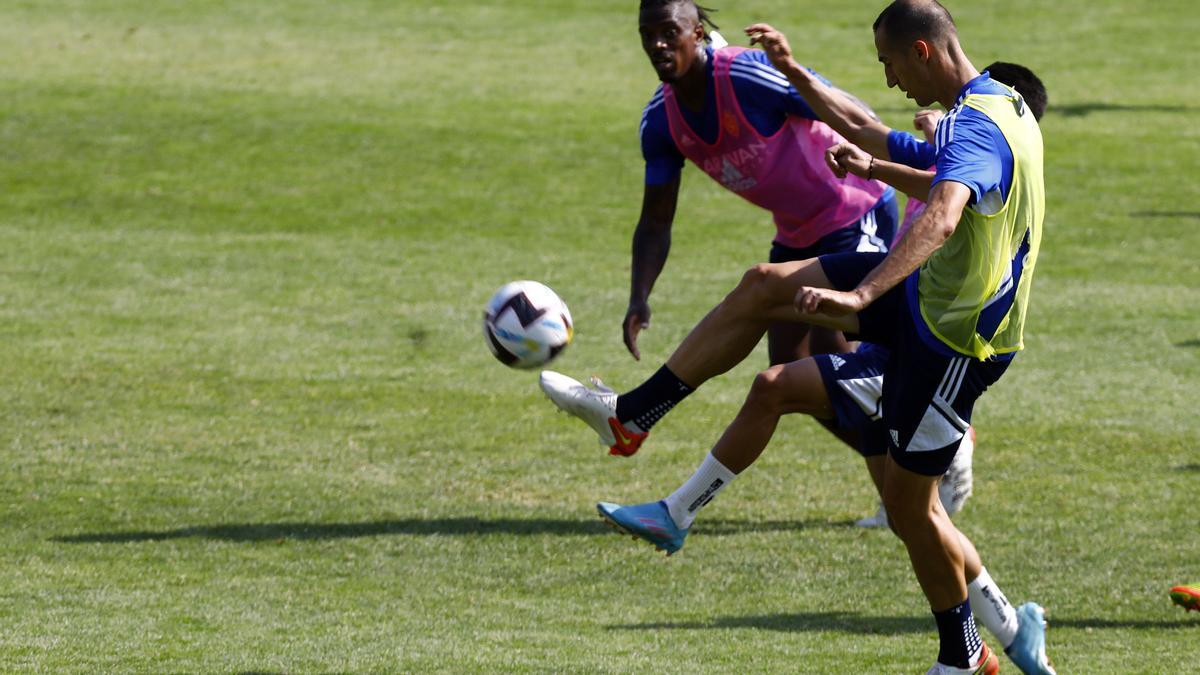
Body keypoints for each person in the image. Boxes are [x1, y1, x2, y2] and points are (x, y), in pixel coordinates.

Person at [542, 2, 1051, 672]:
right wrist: (808, 89)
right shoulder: (996, 103)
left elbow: (946, 214)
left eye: (890, 64)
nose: (891, 82)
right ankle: (633, 414)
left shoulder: (976, 127)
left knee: (906, 504)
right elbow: (878, 134)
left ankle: (973, 649)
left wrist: (861, 294)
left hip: (954, 338)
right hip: (929, 299)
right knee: (764, 286)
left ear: (922, 52)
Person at [626, 0, 899, 370]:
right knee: (787, 365)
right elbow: (655, 221)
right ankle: (896, 428)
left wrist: (895, 159)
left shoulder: (745, 76)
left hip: (854, 207)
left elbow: (853, 112)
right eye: (648, 35)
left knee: (834, 345)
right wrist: (639, 297)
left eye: (669, 33)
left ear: (697, 34)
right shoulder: (661, 122)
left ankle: (934, 426)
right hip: (797, 233)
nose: (657, 44)